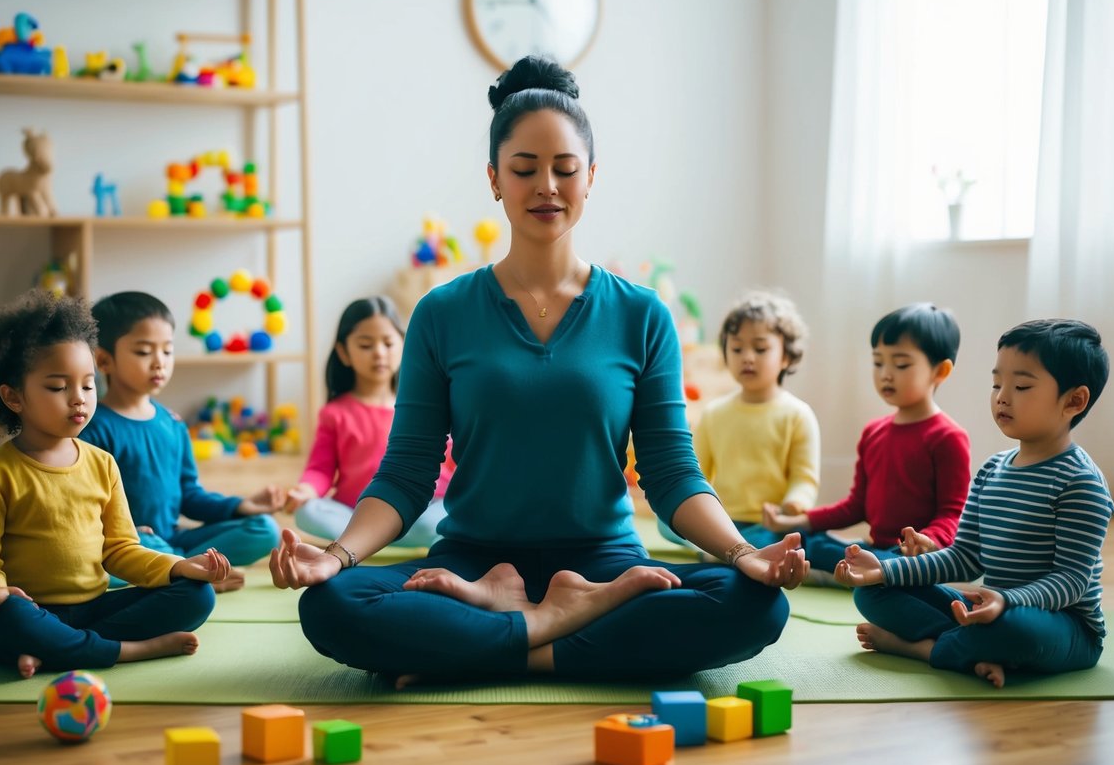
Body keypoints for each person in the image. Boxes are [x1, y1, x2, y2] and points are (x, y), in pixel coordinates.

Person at [269, 55, 808, 684]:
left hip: (606, 564)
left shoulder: (642, 315)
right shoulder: (440, 314)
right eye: (524, 170)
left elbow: (670, 473)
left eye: (565, 169)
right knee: (334, 605)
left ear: (591, 178)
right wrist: (335, 558)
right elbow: (409, 472)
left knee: (753, 603)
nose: (546, 186)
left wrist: (745, 555)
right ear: (495, 179)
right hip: (474, 563)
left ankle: (510, 636)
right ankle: (553, 627)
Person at [0, 289, 230, 678]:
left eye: (87, 385)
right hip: (28, 607)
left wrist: (180, 566)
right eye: (57, 387)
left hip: (93, 605)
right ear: (13, 397)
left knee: (196, 595)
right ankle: (125, 651)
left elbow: (121, 550)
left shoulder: (102, 464)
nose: (79, 400)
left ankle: (54, 649)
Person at [837, 319, 1113, 688]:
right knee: (871, 592)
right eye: (997, 383)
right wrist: (883, 571)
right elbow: (964, 556)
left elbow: (1071, 581)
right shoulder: (991, 470)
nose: (1002, 396)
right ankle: (978, 650)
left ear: (1074, 400)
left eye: (1022, 386)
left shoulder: (1081, 483)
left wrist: (1006, 602)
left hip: (1062, 626)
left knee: (1014, 629)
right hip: (988, 608)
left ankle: (922, 650)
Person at [80, 292, 283, 593]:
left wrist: (242, 505)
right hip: (129, 545)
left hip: (174, 540)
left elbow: (190, 495)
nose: (159, 363)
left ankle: (183, 570)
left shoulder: (173, 425)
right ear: (104, 360)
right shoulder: (93, 429)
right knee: (130, 552)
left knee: (264, 529)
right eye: (144, 351)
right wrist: (119, 534)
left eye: (167, 351)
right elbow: (83, 505)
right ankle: (188, 572)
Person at [763, 303, 970, 576]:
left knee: (888, 568)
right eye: (878, 362)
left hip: (910, 559)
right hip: (875, 549)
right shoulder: (874, 432)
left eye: (901, 364)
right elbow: (855, 506)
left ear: (940, 371)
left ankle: (870, 576)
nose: (885, 373)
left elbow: (953, 513)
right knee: (805, 543)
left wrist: (928, 540)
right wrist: (794, 521)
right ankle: (863, 572)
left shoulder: (948, 437)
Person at [658, 290, 819, 551]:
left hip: (771, 526)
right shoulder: (714, 414)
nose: (747, 356)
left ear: (786, 356)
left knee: (799, 539)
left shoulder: (798, 414)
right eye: (737, 348)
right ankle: (728, 549)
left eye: (760, 348)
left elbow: (805, 478)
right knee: (666, 524)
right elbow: (696, 474)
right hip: (721, 521)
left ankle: (731, 552)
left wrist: (793, 505)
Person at [285, 296, 452, 547]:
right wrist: (305, 490)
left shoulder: (424, 404)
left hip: (420, 514)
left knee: (446, 514)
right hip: (357, 516)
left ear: (404, 345)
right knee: (308, 512)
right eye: (365, 345)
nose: (379, 353)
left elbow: (451, 460)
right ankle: (366, 536)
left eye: (388, 343)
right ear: (344, 352)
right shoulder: (335, 413)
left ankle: (365, 541)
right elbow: (320, 469)